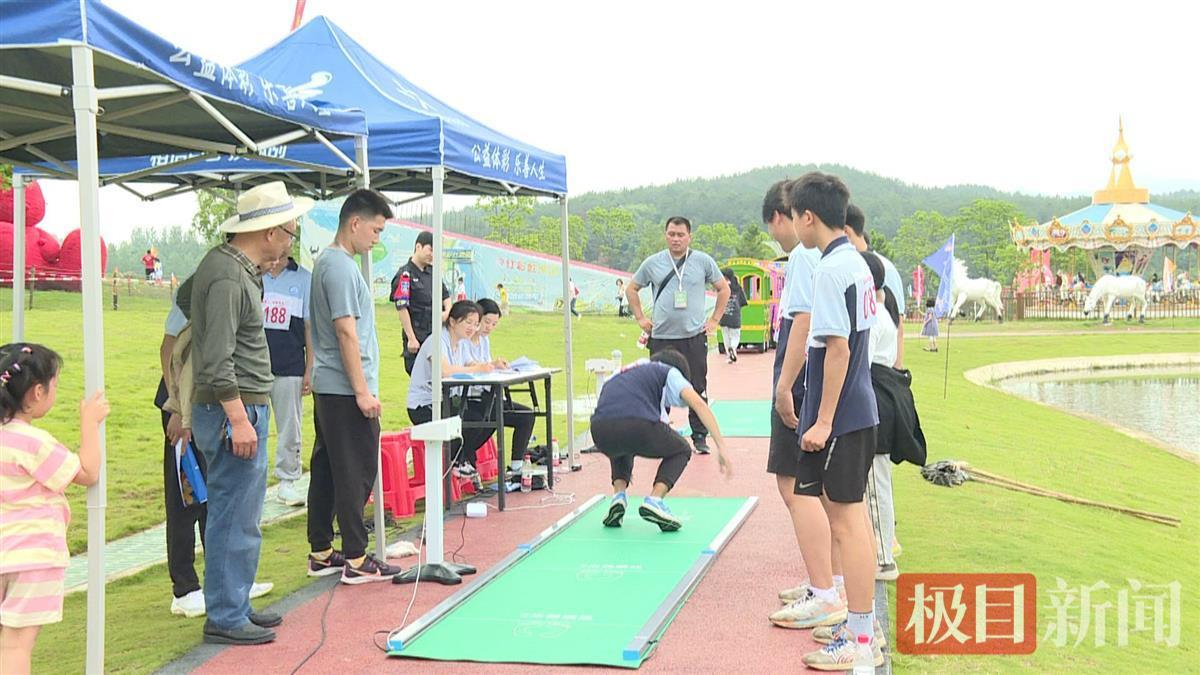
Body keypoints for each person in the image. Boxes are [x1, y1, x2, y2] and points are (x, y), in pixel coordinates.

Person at [185, 180, 302, 645]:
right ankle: (227, 614)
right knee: (234, 514)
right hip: (234, 408)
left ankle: (234, 604)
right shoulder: (230, 275)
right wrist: (237, 417)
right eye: (290, 231)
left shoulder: (231, 268)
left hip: (241, 405)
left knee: (240, 513)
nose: (291, 239)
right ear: (270, 232)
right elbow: (216, 357)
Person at [787, 172, 882, 669]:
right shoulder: (856, 263)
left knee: (847, 523)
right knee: (850, 520)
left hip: (843, 416)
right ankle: (857, 630)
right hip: (857, 409)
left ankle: (863, 641)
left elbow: (838, 350)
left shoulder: (830, 270)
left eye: (794, 216)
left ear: (808, 217)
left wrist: (822, 422)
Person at [306, 189, 402, 585]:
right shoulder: (342, 268)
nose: (377, 239)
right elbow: (346, 331)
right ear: (355, 223)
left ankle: (322, 548)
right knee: (354, 471)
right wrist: (362, 391)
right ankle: (357, 558)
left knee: (328, 469)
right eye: (376, 230)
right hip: (346, 389)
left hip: (331, 385)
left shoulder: (325, 264)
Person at [161, 294, 273, 618]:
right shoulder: (194, 294)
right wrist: (178, 410)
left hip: (211, 406)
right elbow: (168, 350)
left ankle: (226, 580)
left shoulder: (233, 293)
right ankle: (184, 588)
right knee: (186, 498)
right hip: (184, 408)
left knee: (219, 497)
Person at [0, 344, 108, 675]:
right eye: (55, 385)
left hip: (5, 550)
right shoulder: (33, 442)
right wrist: (89, 422)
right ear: (36, 393)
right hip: (34, 555)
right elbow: (87, 472)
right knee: (16, 644)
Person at [754, 180, 829, 619]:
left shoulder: (802, 256)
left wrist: (784, 386)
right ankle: (826, 581)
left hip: (799, 373)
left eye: (775, 228)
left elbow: (802, 320)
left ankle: (824, 591)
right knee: (815, 486)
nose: (779, 237)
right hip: (816, 371)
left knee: (794, 482)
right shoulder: (835, 255)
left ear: (782, 217)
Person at [589, 350, 733, 531]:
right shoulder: (668, 371)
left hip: (600, 430)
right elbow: (699, 404)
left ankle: (618, 497)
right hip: (636, 424)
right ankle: (655, 500)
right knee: (681, 449)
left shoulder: (622, 373)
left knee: (622, 442)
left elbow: (618, 412)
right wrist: (721, 446)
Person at [626, 216, 731, 454]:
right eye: (671, 234)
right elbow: (632, 288)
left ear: (689, 237)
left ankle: (700, 436)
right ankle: (657, 433)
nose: (675, 239)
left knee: (697, 386)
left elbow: (723, 288)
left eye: (680, 234)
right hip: (662, 337)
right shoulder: (653, 263)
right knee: (657, 386)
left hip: (693, 337)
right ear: (665, 235)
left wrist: (714, 320)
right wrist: (641, 318)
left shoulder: (703, 261)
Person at [406, 300, 496, 480]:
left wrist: (491, 366)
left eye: (475, 323)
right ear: (453, 322)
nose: (472, 328)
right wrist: (475, 369)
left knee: (488, 417)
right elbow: (445, 371)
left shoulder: (462, 342)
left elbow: (470, 363)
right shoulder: (436, 341)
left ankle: (460, 460)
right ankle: (456, 462)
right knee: (472, 420)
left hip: (447, 402)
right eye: (468, 322)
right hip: (425, 405)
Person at [262, 256, 313, 507]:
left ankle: (287, 481)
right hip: (255, 366)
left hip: (290, 364)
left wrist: (310, 367)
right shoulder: (255, 274)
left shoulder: (304, 278)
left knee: (289, 426)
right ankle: (254, 482)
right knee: (252, 425)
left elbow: (309, 326)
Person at [463, 298, 535, 470]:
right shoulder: (464, 341)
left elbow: (487, 366)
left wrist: (497, 366)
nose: (489, 327)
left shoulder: (484, 341)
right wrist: (489, 366)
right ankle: (464, 455)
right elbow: (469, 367)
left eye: (494, 324)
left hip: (489, 396)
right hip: (472, 399)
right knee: (488, 419)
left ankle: (517, 467)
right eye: (487, 322)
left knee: (527, 416)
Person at [844, 204, 905, 368]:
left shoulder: (886, 269)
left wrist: (895, 377)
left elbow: (898, 327)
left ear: (845, 232)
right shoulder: (844, 269)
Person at [393, 230, 450, 376]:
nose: (432, 255)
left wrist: (447, 312)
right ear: (418, 247)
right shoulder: (405, 275)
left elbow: (445, 295)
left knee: (440, 379)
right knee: (422, 381)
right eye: (430, 249)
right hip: (417, 336)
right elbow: (402, 307)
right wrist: (411, 338)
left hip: (435, 334)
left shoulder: (432, 272)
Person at [718, 268, 748, 363]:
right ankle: (733, 348)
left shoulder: (721, 287)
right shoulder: (737, 287)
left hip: (724, 316)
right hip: (735, 316)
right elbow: (743, 301)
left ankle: (729, 356)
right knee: (735, 336)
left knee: (726, 336)